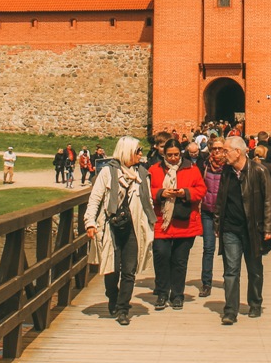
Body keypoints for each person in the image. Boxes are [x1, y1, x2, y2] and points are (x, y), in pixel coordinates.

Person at [85, 136, 155, 326]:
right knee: (112, 268)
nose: (141, 154)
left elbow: (147, 202)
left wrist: (150, 222)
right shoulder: (108, 173)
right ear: (126, 152)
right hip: (111, 226)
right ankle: (113, 296)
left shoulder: (142, 174)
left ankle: (123, 309)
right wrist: (90, 222)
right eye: (137, 151)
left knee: (129, 270)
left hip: (133, 226)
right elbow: (95, 199)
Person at [215, 135, 271, 324]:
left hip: (253, 228)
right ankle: (230, 310)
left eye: (226, 151)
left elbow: (269, 200)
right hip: (230, 229)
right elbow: (220, 199)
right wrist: (218, 223)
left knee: (254, 268)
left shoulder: (258, 171)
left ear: (237, 152)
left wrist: (268, 228)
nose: (223, 154)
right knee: (231, 271)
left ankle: (255, 303)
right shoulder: (226, 172)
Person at [148, 138, 206, 309]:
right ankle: (162, 292)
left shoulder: (192, 169)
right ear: (164, 154)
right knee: (161, 256)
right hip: (162, 222)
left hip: (184, 222)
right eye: (169, 155)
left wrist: (185, 192)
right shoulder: (154, 169)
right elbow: (146, 191)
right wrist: (160, 193)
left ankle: (177, 295)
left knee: (180, 261)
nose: (173, 158)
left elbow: (201, 189)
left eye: (175, 154)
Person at [197, 137, 227, 297]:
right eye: (214, 148)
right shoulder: (205, 166)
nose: (217, 151)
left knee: (228, 248)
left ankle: (229, 279)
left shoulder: (229, 167)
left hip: (225, 213)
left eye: (220, 148)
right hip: (208, 211)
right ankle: (206, 283)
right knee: (208, 248)